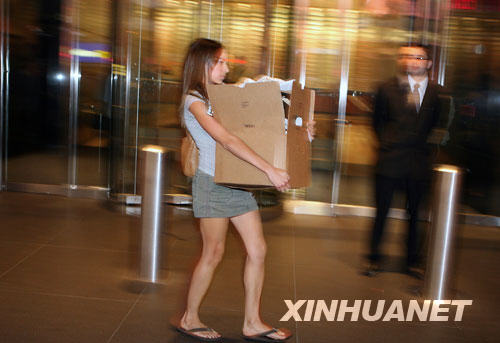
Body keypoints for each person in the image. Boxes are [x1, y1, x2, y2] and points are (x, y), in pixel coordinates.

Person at [176, 38, 315, 342]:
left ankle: (252, 321)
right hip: (212, 184)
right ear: (203, 64)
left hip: (237, 184)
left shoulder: (223, 95)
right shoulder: (194, 101)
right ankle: (189, 318)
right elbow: (226, 140)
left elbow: (262, 129)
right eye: (221, 62)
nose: (227, 68)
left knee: (258, 250)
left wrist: (302, 132)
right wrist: (269, 169)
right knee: (213, 253)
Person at [364, 43, 442, 278]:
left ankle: (412, 262)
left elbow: (438, 125)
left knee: (416, 215)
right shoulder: (385, 89)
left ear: (428, 63)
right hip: (389, 161)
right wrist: (387, 144)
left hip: (419, 163)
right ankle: (374, 258)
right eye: (406, 57)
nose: (412, 61)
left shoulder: (437, 93)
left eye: (418, 57)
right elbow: (376, 123)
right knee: (382, 212)